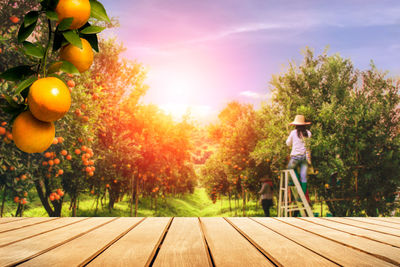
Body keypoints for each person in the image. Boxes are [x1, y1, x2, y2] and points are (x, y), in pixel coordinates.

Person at [286, 115, 312, 195]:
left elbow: (287, 143)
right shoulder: (308, 133)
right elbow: (308, 145)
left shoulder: (293, 133)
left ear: (296, 125)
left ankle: (294, 182)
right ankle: (302, 196)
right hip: (304, 157)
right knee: (303, 177)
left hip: (295, 158)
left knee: (290, 169)